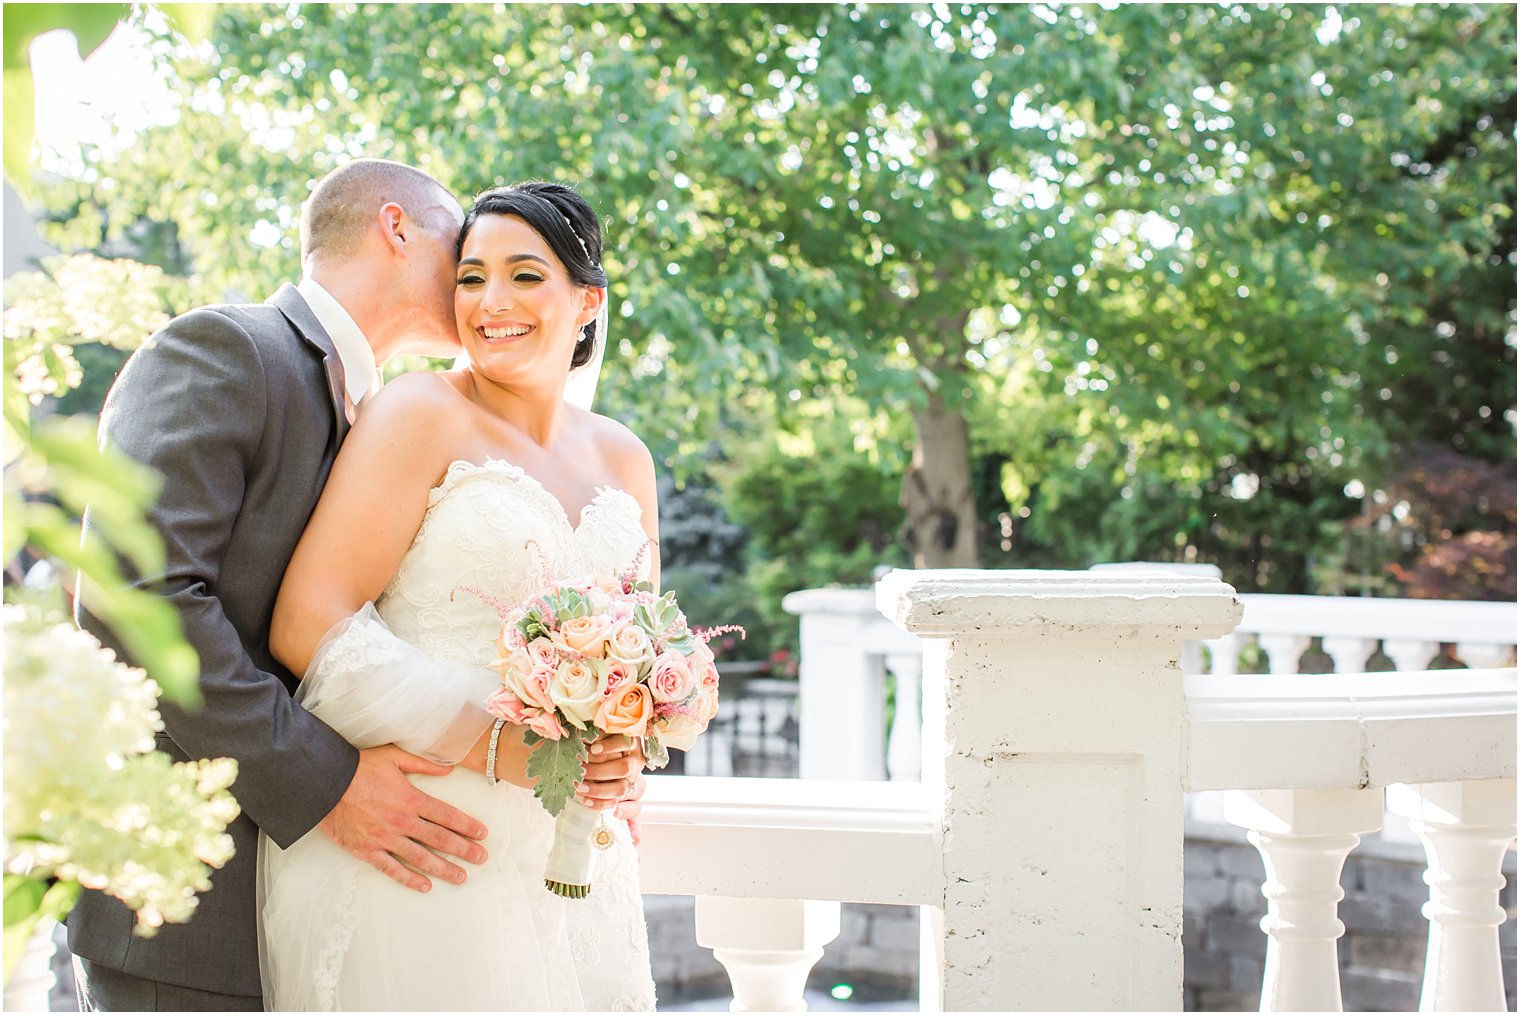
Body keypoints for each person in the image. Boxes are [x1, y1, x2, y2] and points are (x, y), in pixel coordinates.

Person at [70, 161, 645, 1011]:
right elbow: (135, 594)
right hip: (188, 899)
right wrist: (328, 781)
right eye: (467, 257)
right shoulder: (229, 346)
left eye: (521, 272)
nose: (477, 288)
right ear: (396, 227)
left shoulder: (372, 399)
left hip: (446, 863)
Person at [258, 181, 659, 1011]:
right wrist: (497, 745)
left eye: (524, 275)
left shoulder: (626, 460)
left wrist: (624, 749)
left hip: (570, 851)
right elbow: (311, 623)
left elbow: (637, 659)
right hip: (426, 839)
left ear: (587, 299)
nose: (490, 302)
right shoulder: (419, 410)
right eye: (471, 277)